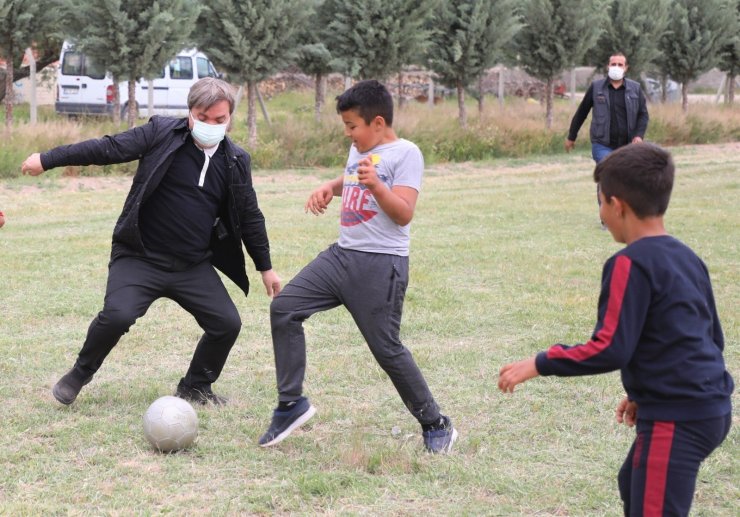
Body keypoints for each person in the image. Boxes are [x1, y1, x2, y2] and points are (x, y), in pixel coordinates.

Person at [498, 143, 733, 516]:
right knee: (632, 481)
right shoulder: (688, 257)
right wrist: (645, 391)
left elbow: (609, 347)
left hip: (678, 415)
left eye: (601, 203)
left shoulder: (629, 263)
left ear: (617, 204)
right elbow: (706, 337)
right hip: (710, 406)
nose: (601, 214)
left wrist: (540, 363)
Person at [20, 77, 281, 406]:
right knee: (117, 316)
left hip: (192, 265)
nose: (210, 126)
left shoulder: (235, 161)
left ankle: (196, 387)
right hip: (140, 257)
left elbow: (250, 215)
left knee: (227, 323)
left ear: (230, 118)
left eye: (219, 120)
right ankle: (79, 374)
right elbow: (108, 148)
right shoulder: (161, 133)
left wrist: (265, 267)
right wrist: (47, 159)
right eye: (202, 117)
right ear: (190, 113)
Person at [257, 80, 457, 453]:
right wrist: (328, 188)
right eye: (346, 127)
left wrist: (377, 186)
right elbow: (351, 179)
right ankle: (290, 404)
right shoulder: (359, 149)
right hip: (342, 256)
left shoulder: (406, 153)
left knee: (386, 349)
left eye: (353, 126)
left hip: (381, 265)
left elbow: (403, 214)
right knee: (285, 308)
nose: (349, 134)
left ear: (377, 123)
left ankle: (435, 422)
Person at [565, 53, 649, 163]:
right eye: (613, 64)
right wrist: (572, 137)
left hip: (629, 145)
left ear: (626, 68)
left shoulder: (635, 88)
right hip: (602, 144)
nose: (616, 67)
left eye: (620, 65)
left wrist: (639, 135)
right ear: (608, 66)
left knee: (624, 176)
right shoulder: (596, 87)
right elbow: (582, 112)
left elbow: (643, 115)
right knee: (609, 169)